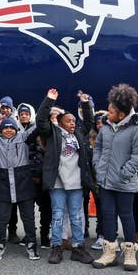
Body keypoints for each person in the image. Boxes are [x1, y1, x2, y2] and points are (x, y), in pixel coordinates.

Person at [91, 84, 138, 271]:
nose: (107, 114)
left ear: (121, 114)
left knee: (127, 217)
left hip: (124, 182)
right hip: (105, 182)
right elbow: (98, 148)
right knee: (107, 216)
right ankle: (109, 253)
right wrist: (98, 167)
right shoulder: (106, 128)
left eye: (111, 111)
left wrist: (124, 172)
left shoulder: (137, 129)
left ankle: (130, 254)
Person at [37, 89, 94, 265]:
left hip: (76, 182)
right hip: (58, 182)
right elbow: (40, 120)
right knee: (58, 215)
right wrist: (49, 100)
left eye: (74, 121)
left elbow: (89, 121)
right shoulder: (52, 133)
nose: (72, 123)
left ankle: (78, 248)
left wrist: (85, 104)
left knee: (77, 215)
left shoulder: (78, 133)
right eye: (68, 121)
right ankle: (56, 247)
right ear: (60, 122)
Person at [0, 103, 40, 261]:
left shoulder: (24, 137)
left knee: (28, 217)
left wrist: (49, 101)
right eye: (5, 128)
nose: (8, 130)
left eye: (11, 128)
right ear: (0, 129)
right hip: (3, 183)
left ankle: (31, 245)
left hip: (23, 182)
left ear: (16, 129)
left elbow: (40, 124)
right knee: (1, 218)